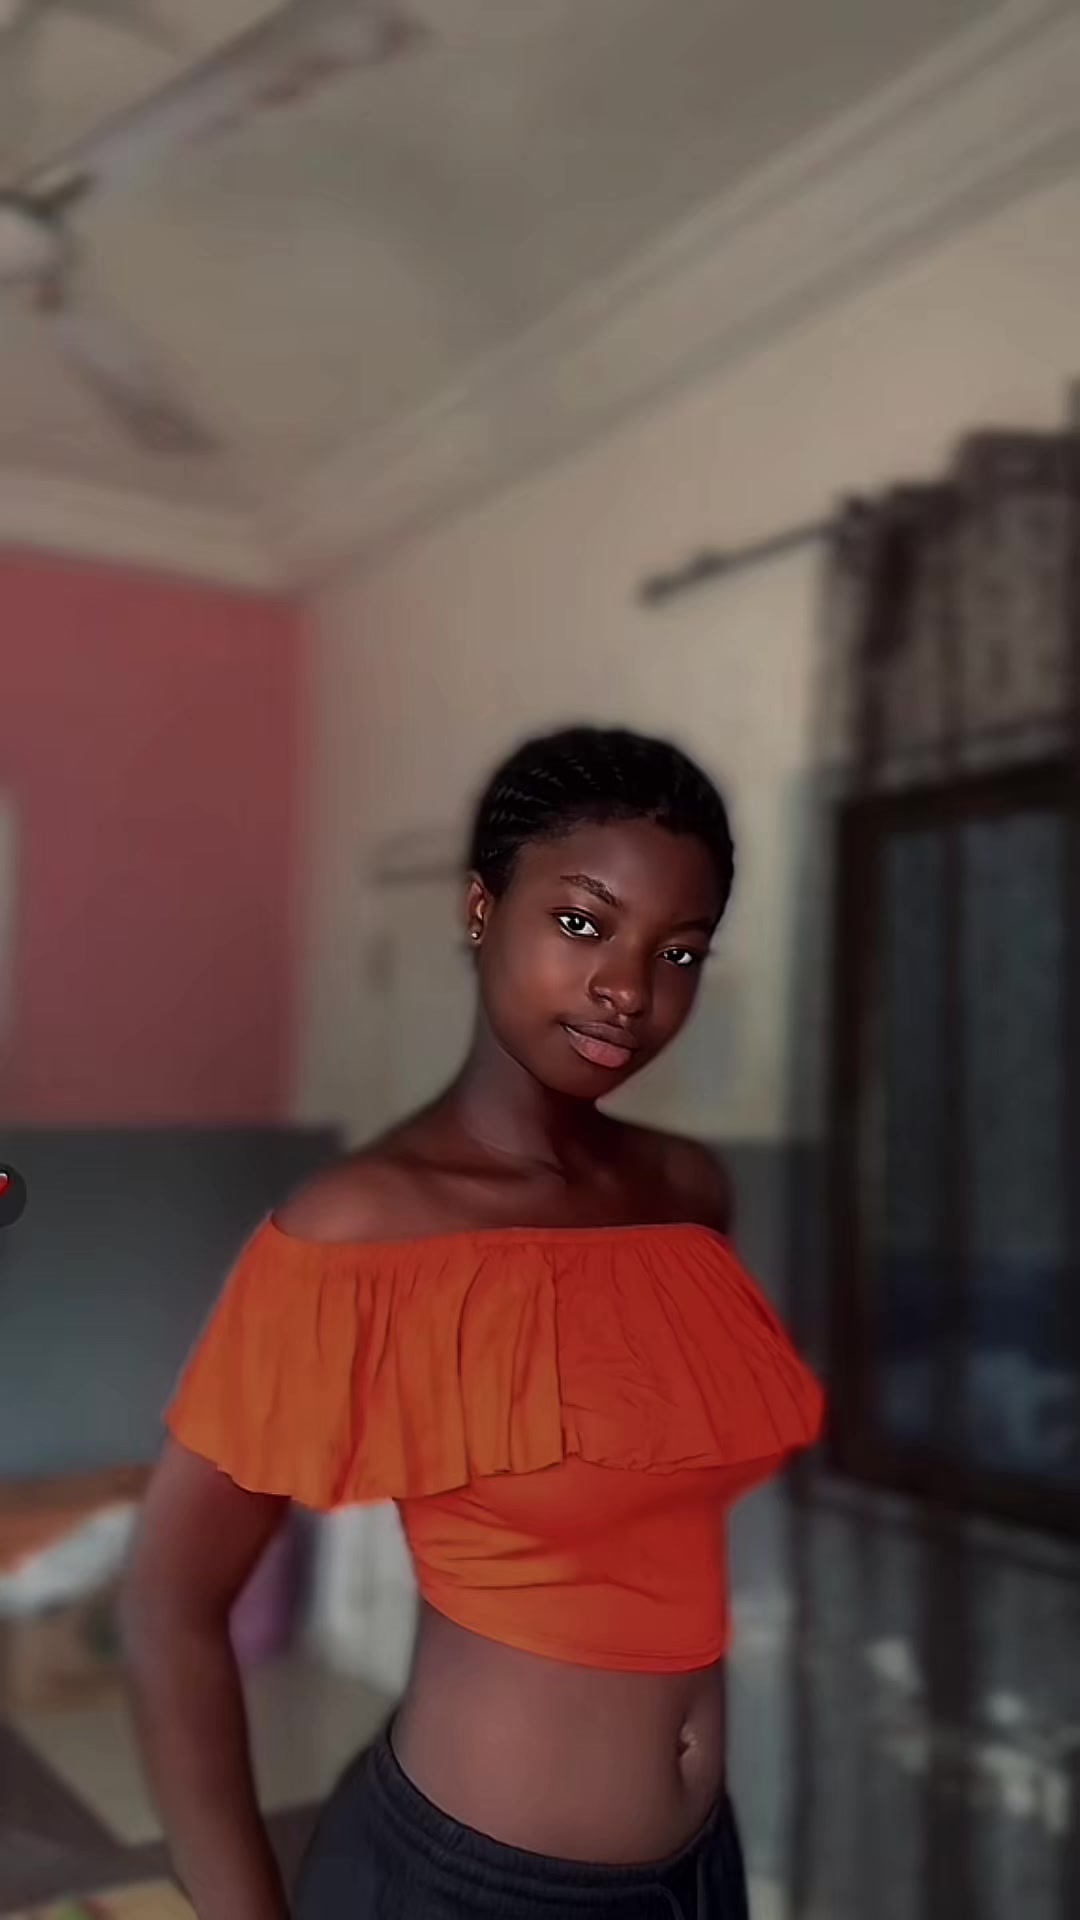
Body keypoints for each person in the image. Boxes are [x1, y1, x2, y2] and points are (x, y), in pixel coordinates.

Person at [124, 725, 823, 1920]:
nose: (630, 990)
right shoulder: (359, 1230)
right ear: (482, 907)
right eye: (585, 923)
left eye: (681, 951)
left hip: (701, 1871)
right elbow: (168, 1603)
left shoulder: (689, 1191)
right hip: (470, 1887)